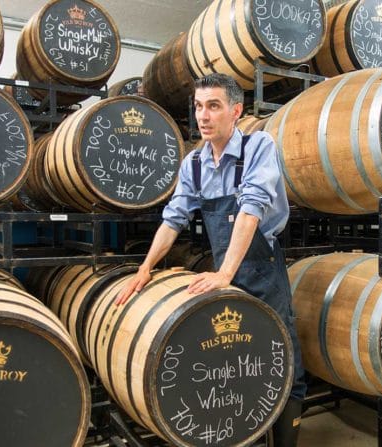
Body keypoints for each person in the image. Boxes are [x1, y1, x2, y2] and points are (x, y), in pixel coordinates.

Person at [116, 73, 305, 446]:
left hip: (261, 268)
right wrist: (145, 268)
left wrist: (225, 273)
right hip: (227, 268)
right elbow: (174, 219)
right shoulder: (194, 165)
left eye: (214, 106)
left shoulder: (257, 147)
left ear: (235, 111)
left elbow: (251, 209)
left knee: (281, 353)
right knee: (236, 356)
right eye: (199, 106)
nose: (203, 115)